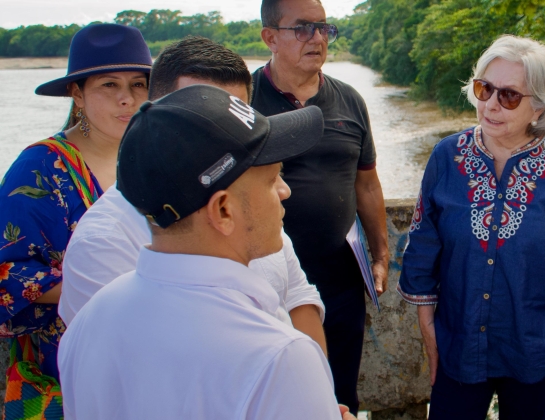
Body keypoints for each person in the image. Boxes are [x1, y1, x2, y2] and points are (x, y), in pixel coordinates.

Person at [58, 84, 353, 420]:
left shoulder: (89, 322)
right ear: (223, 211)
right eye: (272, 179)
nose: (285, 192)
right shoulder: (278, 357)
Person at [398, 35, 545, 420]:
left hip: (537, 346)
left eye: (509, 96)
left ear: (538, 106)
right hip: (459, 340)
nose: (490, 104)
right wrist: (428, 328)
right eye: (484, 89)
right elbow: (423, 241)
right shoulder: (447, 157)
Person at [59, 36, 328, 354]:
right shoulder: (103, 243)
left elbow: (296, 294)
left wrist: (317, 389)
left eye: (235, 117)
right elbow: (145, 373)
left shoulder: (251, 199)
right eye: (201, 114)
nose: (222, 135)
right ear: (157, 117)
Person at [252, 0, 389, 412]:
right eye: (303, 28)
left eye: (324, 28)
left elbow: (366, 183)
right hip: (265, 279)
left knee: (339, 393)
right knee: (273, 398)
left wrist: (380, 254)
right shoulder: (245, 101)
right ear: (270, 37)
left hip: (341, 279)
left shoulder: (349, 100)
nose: (317, 38)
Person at [0, 23, 151, 381]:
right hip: (74, 362)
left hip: (150, 348)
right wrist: (119, 285)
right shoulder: (38, 169)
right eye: (109, 85)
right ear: (77, 94)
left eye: (138, 84)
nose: (126, 98)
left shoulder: (155, 157)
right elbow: (8, 274)